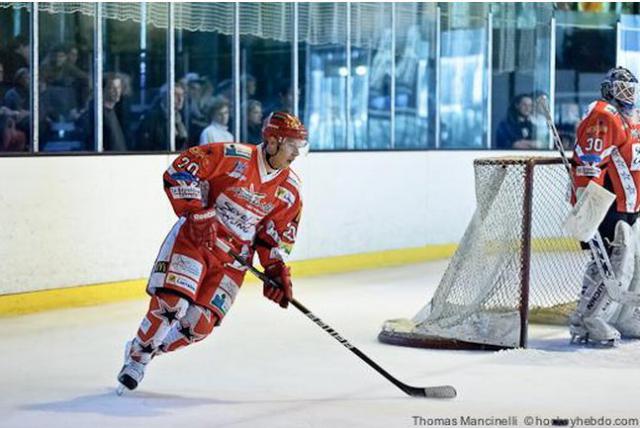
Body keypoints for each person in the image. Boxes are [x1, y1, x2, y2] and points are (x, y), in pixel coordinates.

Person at [117, 111, 308, 392]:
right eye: (291, 144)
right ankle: (137, 358)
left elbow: (274, 235)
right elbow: (180, 170)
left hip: (233, 262)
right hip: (197, 242)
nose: (296, 152)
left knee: (199, 326)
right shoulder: (235, 157)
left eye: (299, 145)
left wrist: (275, 269)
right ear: (272, 141)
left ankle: (149, 348)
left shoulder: (290, 190)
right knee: (173, 305)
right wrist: (196, 212)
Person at [569, 66, 640, 345]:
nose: (628, 95)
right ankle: (587, 320)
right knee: (611, 265)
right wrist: (588, 210)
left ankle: (626, 316)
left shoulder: (633, 118)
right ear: (609, 90)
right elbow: (589, 164)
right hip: (608, 206)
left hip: (631, 206)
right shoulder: (603, 116)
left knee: (633, 264)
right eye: (622, 89)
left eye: (632, 90)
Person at [135, 82, 188, 151]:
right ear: (164, 96)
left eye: (182, 95)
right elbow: (144, 146)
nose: (180, 99)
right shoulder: (150, 119)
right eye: (176, 95)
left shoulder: (183, 118)